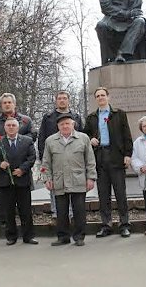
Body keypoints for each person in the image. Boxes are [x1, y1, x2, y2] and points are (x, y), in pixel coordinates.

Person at [83, 86, 133, 238]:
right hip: (99, 158)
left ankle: (124, 224)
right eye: (97, 96)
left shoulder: (119, 114)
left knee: (120, 193)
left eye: (103, 95)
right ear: (95, 99)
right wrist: (90, 138)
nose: (100, 98)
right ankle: (106, 225)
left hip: (116, 157)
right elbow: (85, 134)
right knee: (103, 195)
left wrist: (127, 154)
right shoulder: (91, 117)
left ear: (108, 97)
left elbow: (127, 136)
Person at [42, 113, 97, 246]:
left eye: (68, 123)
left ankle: (79, 237)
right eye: (62, 124)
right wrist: (47, 178)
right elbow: (46, 162)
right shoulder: (50, 141)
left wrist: (91, 178)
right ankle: (63, 237)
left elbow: (90, 160)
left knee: (79, 211)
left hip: (78, 179)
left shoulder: (83, 138)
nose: (65, 126)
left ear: (73, 124)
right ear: (58, 126)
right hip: (59, 181)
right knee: (61, 211)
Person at [0, 92, 35, 228]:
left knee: (24, 200)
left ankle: (27, 230)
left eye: (9, 102)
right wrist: (0, 147)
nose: (7, 104)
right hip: (3, 164)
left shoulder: (25, 120)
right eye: (4, 102)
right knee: (2, 195)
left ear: (14, 104)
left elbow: (32, 134)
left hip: (21, 163)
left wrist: (19, 141)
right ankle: (1, 218)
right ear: (1, 105)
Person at [0, 117, 38, 245]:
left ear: (18, 127)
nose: (11, 127)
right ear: (5, 128)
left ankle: (28, 236)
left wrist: (22, 169)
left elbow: (32, 157)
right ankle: (11, 236)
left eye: (13, 125)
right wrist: (0, 164)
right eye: (8, 125)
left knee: (25, 210)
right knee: (8, 211)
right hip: (5, 182)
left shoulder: (27, 141)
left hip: (22, 181)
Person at [37, 91, 83, 224]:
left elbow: (81, 136)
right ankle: (56, 213)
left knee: (74, 185)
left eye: (64, 98)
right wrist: (43, 156)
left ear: (69, 100)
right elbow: (42, 137)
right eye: (59, 98)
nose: (62, 100)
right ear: (55, 101)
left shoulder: (76, 117)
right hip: (54, 156)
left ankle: (73, 213)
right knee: (55, 186)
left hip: (74, 157)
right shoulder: (48, 117)